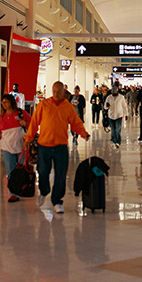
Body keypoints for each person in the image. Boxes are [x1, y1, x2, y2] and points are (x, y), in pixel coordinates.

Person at [25, 81, 89, 214]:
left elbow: (76, 122)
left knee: (61, 175)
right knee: (43, 172)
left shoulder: (68, 106)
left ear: (63, 92)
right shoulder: (44, 104)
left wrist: (83, 133)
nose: (56, 94)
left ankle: (57, 201)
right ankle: (44, 191)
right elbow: (34, 122)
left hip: (61, 146)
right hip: (44, 145)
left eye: (58, 92)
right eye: (54, 92)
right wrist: (28, 137)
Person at [0, 94, 32, 202]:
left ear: (11, 102)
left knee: (23, 170)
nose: (4, 104)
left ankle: (23, 189)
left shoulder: (21, 113)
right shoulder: (1, 118)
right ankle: (14, 193)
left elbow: (32, 124)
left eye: (6, 102)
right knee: (10, 171)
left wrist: (25, 124)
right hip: (7, 149)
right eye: (2, 102)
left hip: (21, 147)